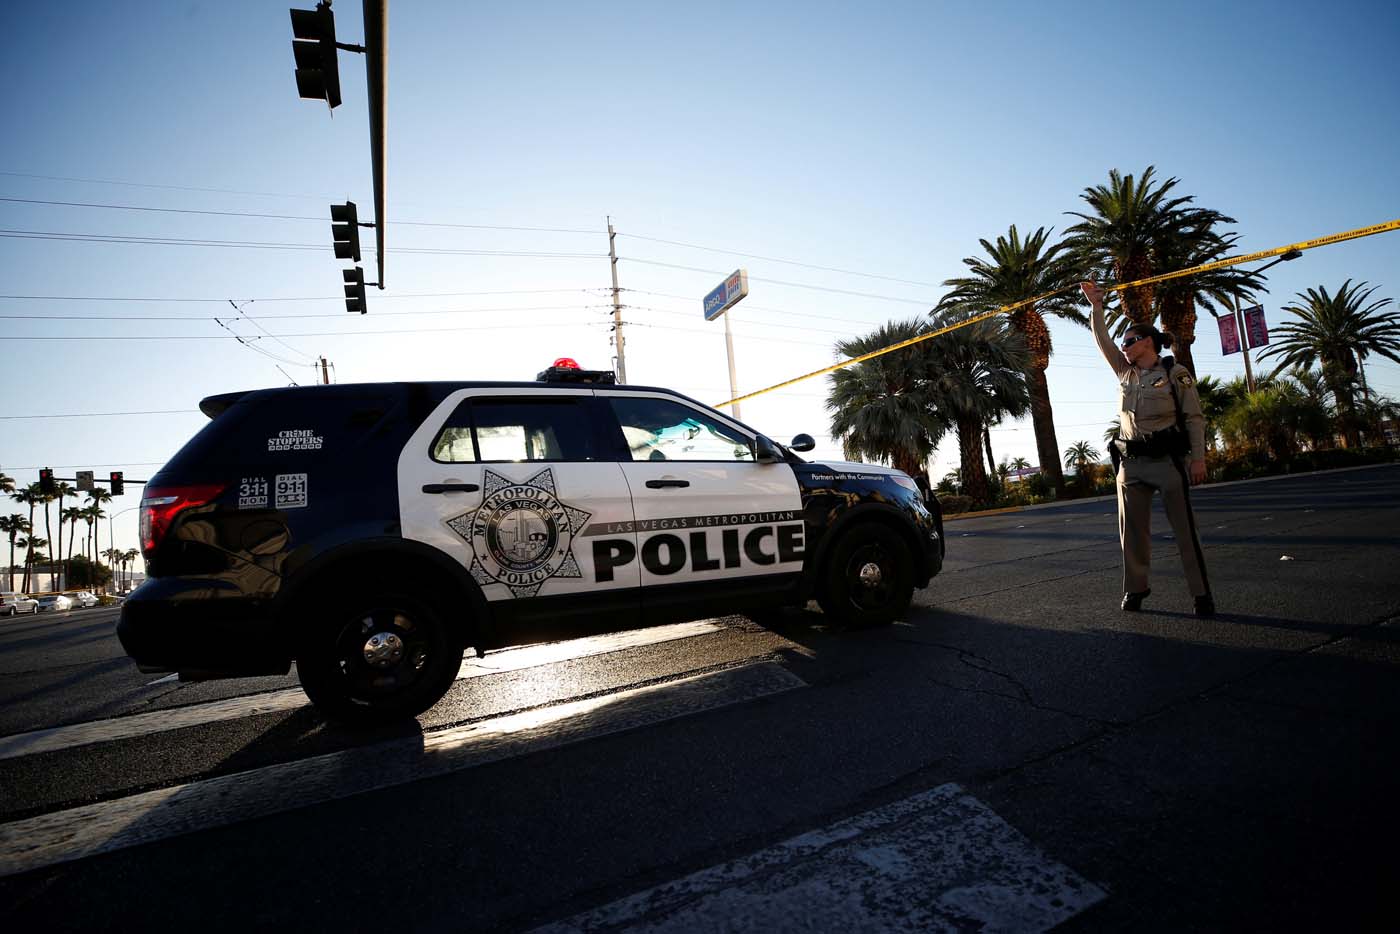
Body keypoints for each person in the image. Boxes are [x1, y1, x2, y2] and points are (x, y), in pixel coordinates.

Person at [1080, 281, 1215, 617]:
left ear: (1147, 342)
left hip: (1168, 462)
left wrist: (1198, 458)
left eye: (1129, 340)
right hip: (1130, 464)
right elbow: (1102, 341)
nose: (1123, 346)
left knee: (1185, 531)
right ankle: (1135, 589)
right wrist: (1096, 307)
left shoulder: (1174, 373)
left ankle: (1201, 594)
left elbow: (1194, 418)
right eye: (1123, 341)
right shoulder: (1125, 373)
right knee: (1132, 535)